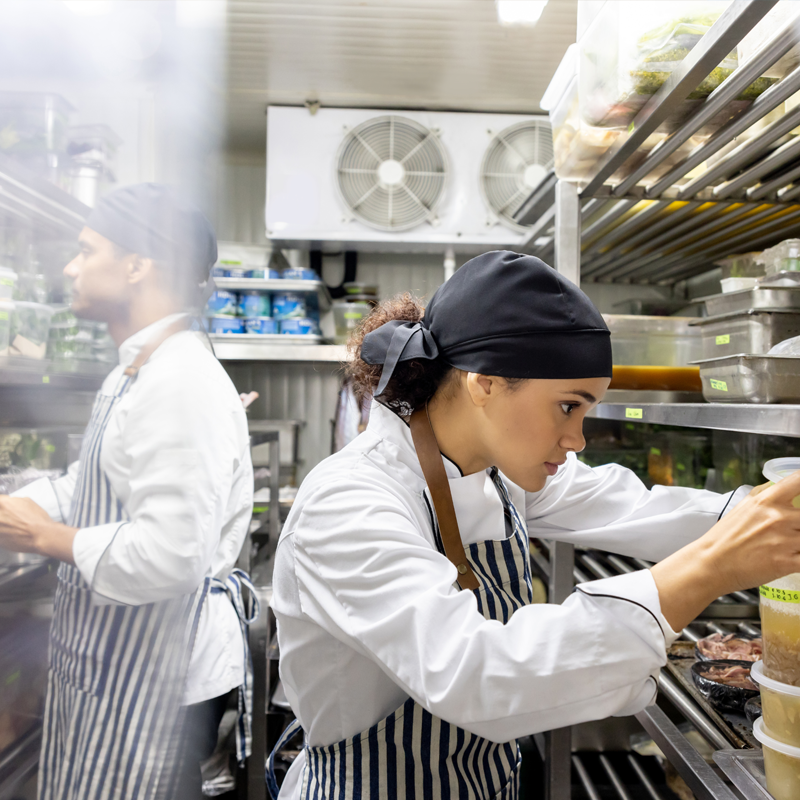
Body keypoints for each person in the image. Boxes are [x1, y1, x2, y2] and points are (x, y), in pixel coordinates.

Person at [268, 251, 800, 800]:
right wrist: (708, 570)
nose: (578, 439)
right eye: (569, 407)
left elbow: (632, 505)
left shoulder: (494, 469)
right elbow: (477, 676)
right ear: (486, 385)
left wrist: (774, 513)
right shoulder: (350, 502)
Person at [0, 184, 256, 800]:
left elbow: (169, 555)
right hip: (120, 666)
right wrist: (27, 506)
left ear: (139, 265)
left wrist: (42, 535)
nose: (71, 266)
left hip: (158, 679)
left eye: (87, 249)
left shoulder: (180, 379)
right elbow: (94, 480)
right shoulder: (135, 367)